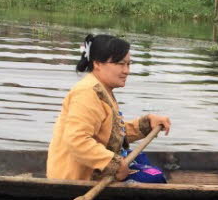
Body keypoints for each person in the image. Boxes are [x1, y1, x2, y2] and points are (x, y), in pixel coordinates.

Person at [47, 34, 171, 183]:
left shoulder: (102, 89)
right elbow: (76, 140)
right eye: (120, 64)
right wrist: (114, 165)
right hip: (77, 176)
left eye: (128, 64)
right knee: (155, 177)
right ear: (98, 63)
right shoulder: (87, 92)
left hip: (91, 165)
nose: (126, 70)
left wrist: (146, 124)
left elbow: (111, 134)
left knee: (140, 157)